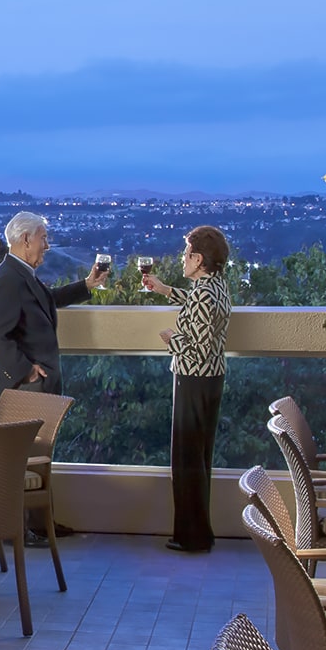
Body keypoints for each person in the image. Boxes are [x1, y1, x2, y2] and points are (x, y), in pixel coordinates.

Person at [142, 226, 233, 553]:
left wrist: (171, 339)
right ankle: (199, 532)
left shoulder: (205, 293)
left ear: (198, 259)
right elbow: (197, 304)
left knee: (186, 460)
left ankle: (191, 536)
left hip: (194, 378)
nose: (182, 259)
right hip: (211, 379)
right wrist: (166, 290)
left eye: (186, 254)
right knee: (199, 458)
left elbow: (199, 348)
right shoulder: (216, 285)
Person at [0, 212, 109, 399]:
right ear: (26, 239)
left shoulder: (20, 272)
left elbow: (46, 298)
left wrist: (87, 285)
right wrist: (26, 371)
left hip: (35, 386)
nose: (47, 246)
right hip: (27, 387)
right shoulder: (10, 279)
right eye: (43, 239)